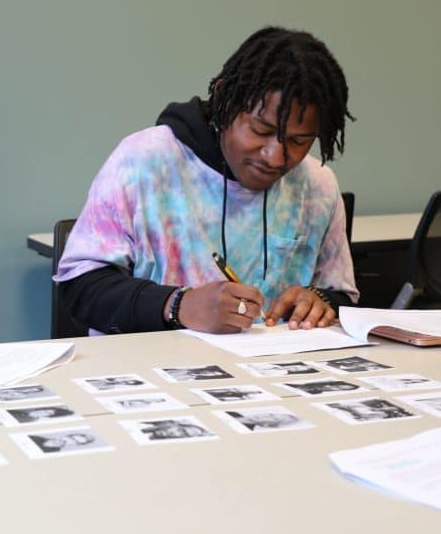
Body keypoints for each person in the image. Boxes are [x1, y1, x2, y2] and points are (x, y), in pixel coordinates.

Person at [55, 27, 357, 335]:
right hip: (153, 362)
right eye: (261, 131)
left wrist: (320, 301)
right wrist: (177, 305)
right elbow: (79, 286)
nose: (276, 157)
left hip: (277, 362)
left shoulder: (317, 186)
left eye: (299, 141)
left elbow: (342, 298)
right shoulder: (144, 162)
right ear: (225, 97)